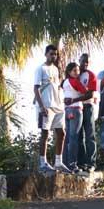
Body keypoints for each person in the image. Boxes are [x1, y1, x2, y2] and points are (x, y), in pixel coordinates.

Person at [34, 44, 70, 173]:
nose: (53, 56)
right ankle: (43, 162)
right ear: (46, 54)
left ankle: (58, 162)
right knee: (45, 133)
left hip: (58, 106)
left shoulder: (55, 69)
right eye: (51, 54)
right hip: (46, 106)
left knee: (61, 132)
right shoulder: (40, 69)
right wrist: (42, 107)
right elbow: (36, 88)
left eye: (55, 54)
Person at [61, 62, 93, 173]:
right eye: (74, 70)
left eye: (78, 70)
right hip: (76, 110)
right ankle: (72, 164)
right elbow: (87, 93)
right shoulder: (75, 81)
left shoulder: (64, 82)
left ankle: (64, 162)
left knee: (67, 138)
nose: (77, 72)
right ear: (69, 72)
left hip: (67, 109)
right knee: (74, 137)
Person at [76, 54, 98, 171]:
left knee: (90, 135)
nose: (85, 63)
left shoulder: (91, 75)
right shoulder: (75, 74)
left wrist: (75, 99)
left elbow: (90, 94)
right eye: (83, 61)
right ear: (79, 60)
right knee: (79, 136)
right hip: (76, 108)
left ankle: (91, 163)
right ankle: (81, 162)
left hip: (88, 106)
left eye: (87, 62)